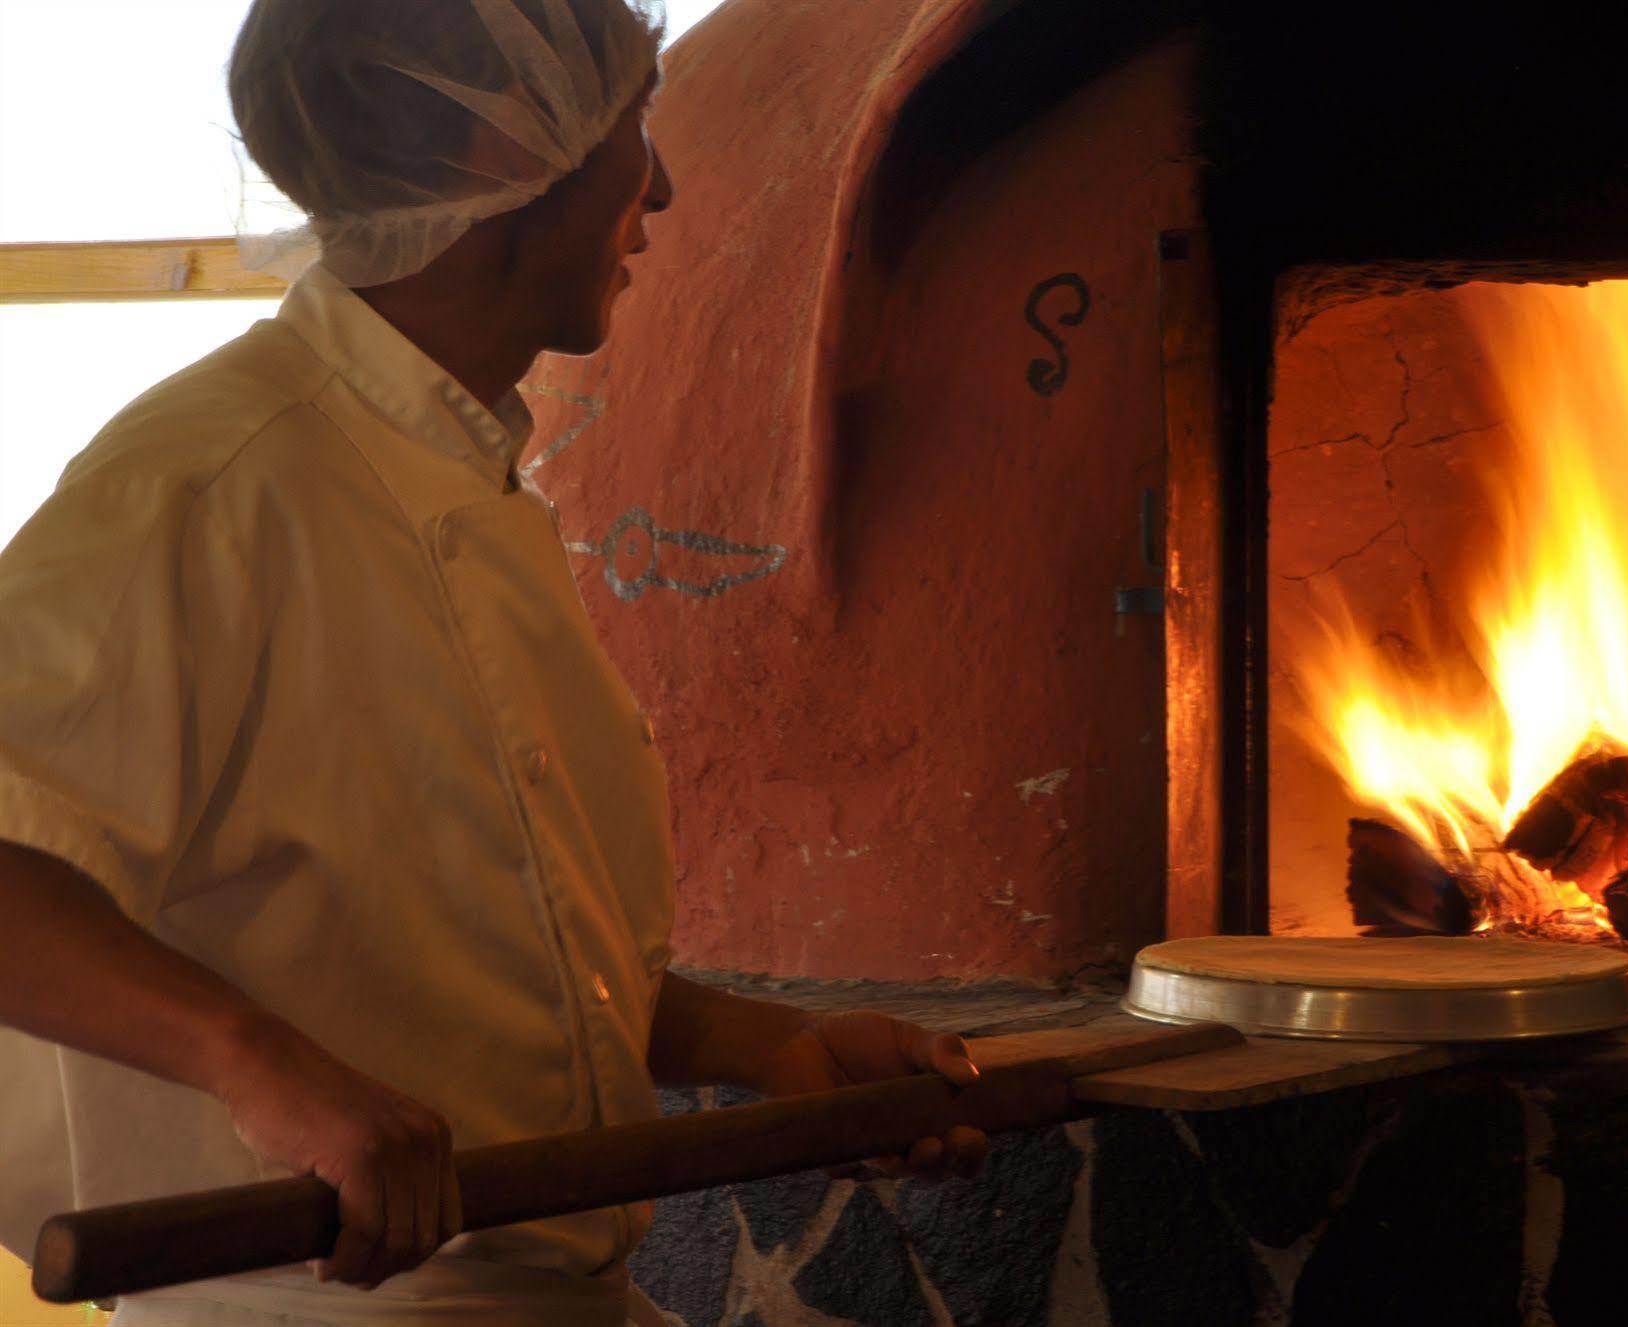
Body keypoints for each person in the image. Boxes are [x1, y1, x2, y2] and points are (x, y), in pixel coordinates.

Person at [0, 2, 985, 1323]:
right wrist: (263, 1069)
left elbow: (470, 948)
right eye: (632, 132)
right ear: (490, 158)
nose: (667, 186)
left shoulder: (459, 479)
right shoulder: (209, 482)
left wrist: (769, 1046)